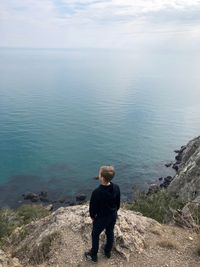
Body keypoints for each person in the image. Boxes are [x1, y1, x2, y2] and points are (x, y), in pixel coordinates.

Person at [85, 165, 120, 262]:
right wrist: (114, 211)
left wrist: (93, 217)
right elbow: (118, 203)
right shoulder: (116, 188)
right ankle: (107, 251)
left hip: (101, 218)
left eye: (99, 174)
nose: (98, 175)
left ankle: (93, 255)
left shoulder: (97, 192)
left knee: (95, 235)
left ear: (102, 178)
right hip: (112, 216)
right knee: (110, 232)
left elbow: (92, 208)